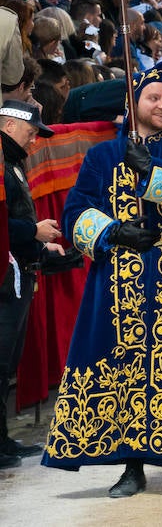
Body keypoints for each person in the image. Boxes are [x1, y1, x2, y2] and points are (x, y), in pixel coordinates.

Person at [42, 62, 162, 497]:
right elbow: (75, 212)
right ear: (132, 104)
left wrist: (152, 173)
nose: (161, 105)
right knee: (121, 364)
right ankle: (131, 465)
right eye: (152, 98)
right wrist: (111, 231)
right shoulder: (101, 155)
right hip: (116, 274)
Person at [0, 100, 60, 467]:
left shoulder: (13, 162)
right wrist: (32, 232)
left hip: (19, 271)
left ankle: (3, 441)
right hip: (7, 276)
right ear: (8, 126)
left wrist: (38, 241)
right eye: (30, 131)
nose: (35, 139)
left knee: (6, 364)